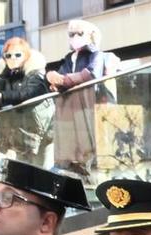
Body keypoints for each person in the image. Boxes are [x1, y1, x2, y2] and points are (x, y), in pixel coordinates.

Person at [46, 23, 111, 175]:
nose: (75, 37)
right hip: (67, 107)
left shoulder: (96, 54)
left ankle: (85, 166)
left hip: (87, 103)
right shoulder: (69, 58)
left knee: (85, 140)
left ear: (90, 35)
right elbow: (60, 78)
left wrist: (64, 80)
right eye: (71, 34)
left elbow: (91, 73)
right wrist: (54, 79)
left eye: (79, 33)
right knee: (67, 139)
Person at [0, 37, 53, 166]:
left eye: (18, 55)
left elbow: (29, 93)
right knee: (24, 172)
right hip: (20, 132)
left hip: (42, 130)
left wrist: (1, 97)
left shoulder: (35, 73)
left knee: (43, 171)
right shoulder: (4, 75)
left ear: (26, 55)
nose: (13, 58)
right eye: (8, 55)